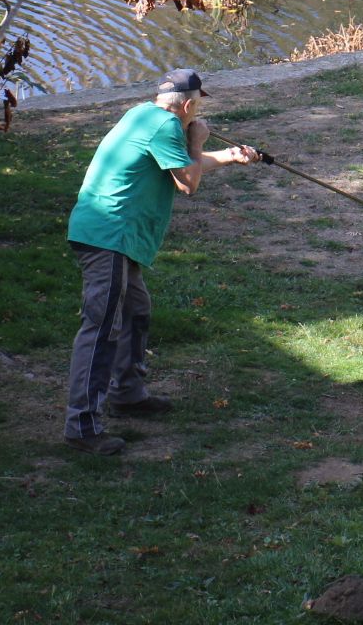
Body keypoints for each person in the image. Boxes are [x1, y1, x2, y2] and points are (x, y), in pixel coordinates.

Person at [63, 67, 258, 454]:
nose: (198, 115)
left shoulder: (142, 114)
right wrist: (198, 139)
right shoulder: (168, 127)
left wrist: (228, 156)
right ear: (187, 104)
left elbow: (179, 166)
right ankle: (82, 426)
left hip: (109, 233)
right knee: (102, 327)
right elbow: (187, 183)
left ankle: (128, 394)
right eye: (198, 107)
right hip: (109, 236)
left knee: (135, 312)